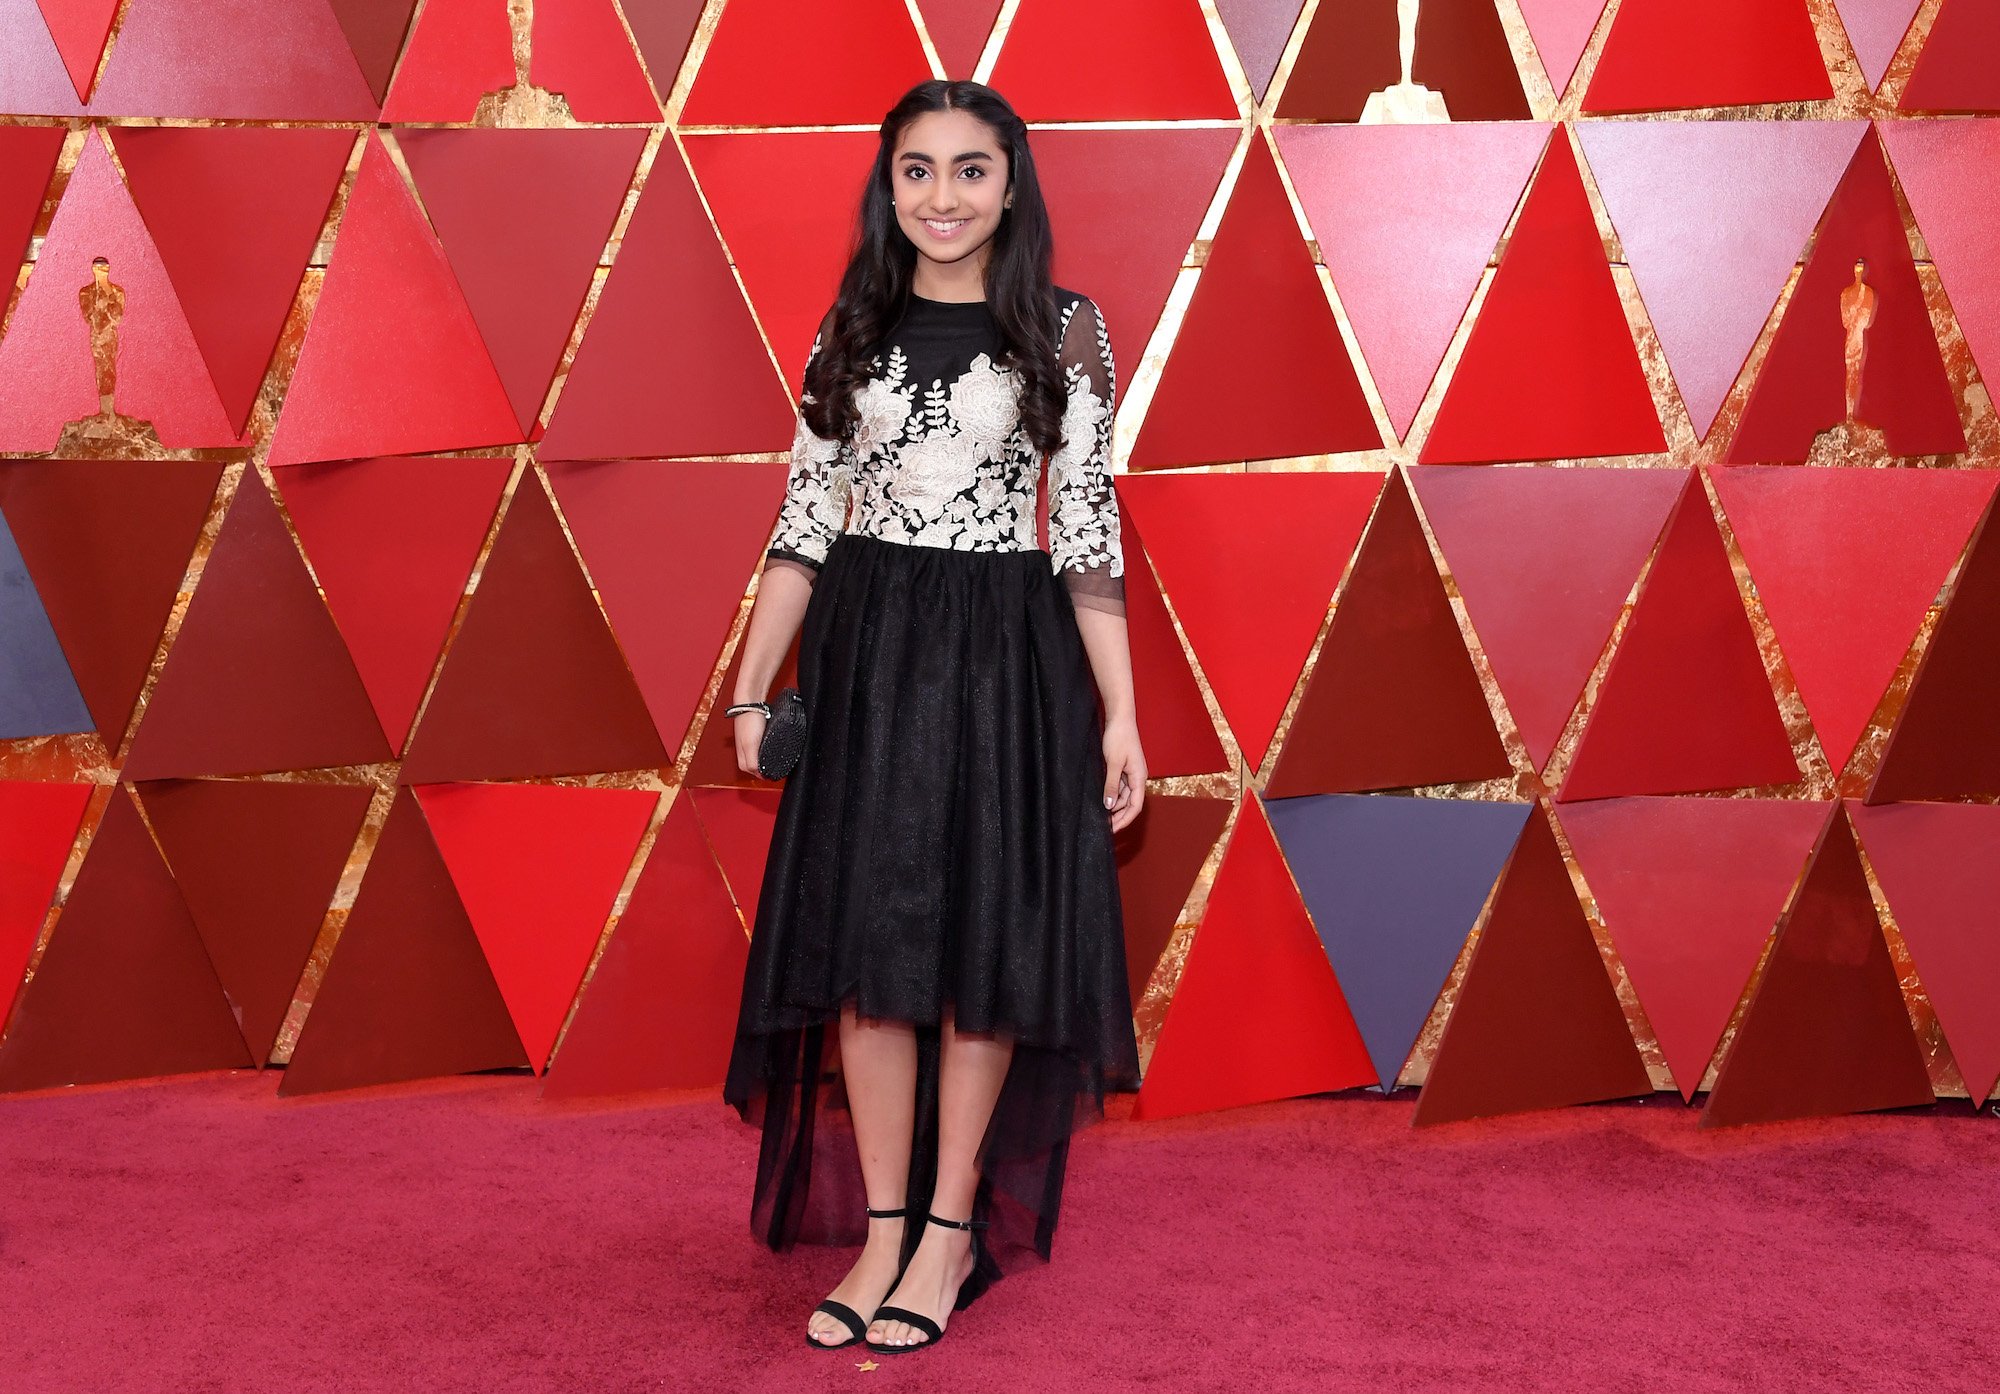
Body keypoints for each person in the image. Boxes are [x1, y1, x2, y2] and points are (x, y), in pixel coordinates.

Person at [720, 78, 1146, 1355]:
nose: (943, 196)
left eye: (970, 170)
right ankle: (884, 1227)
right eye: (917, 171)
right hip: (867, 655)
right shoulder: (848, 324)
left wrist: (1118, 715)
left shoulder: (1064, 329)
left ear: (1010, 186)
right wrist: (752, 687)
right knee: (867, 950)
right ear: (887, 186)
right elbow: (804, 522)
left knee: (979, 953)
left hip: (1002, 661)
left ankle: (950, 1228)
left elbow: (1085, 529)